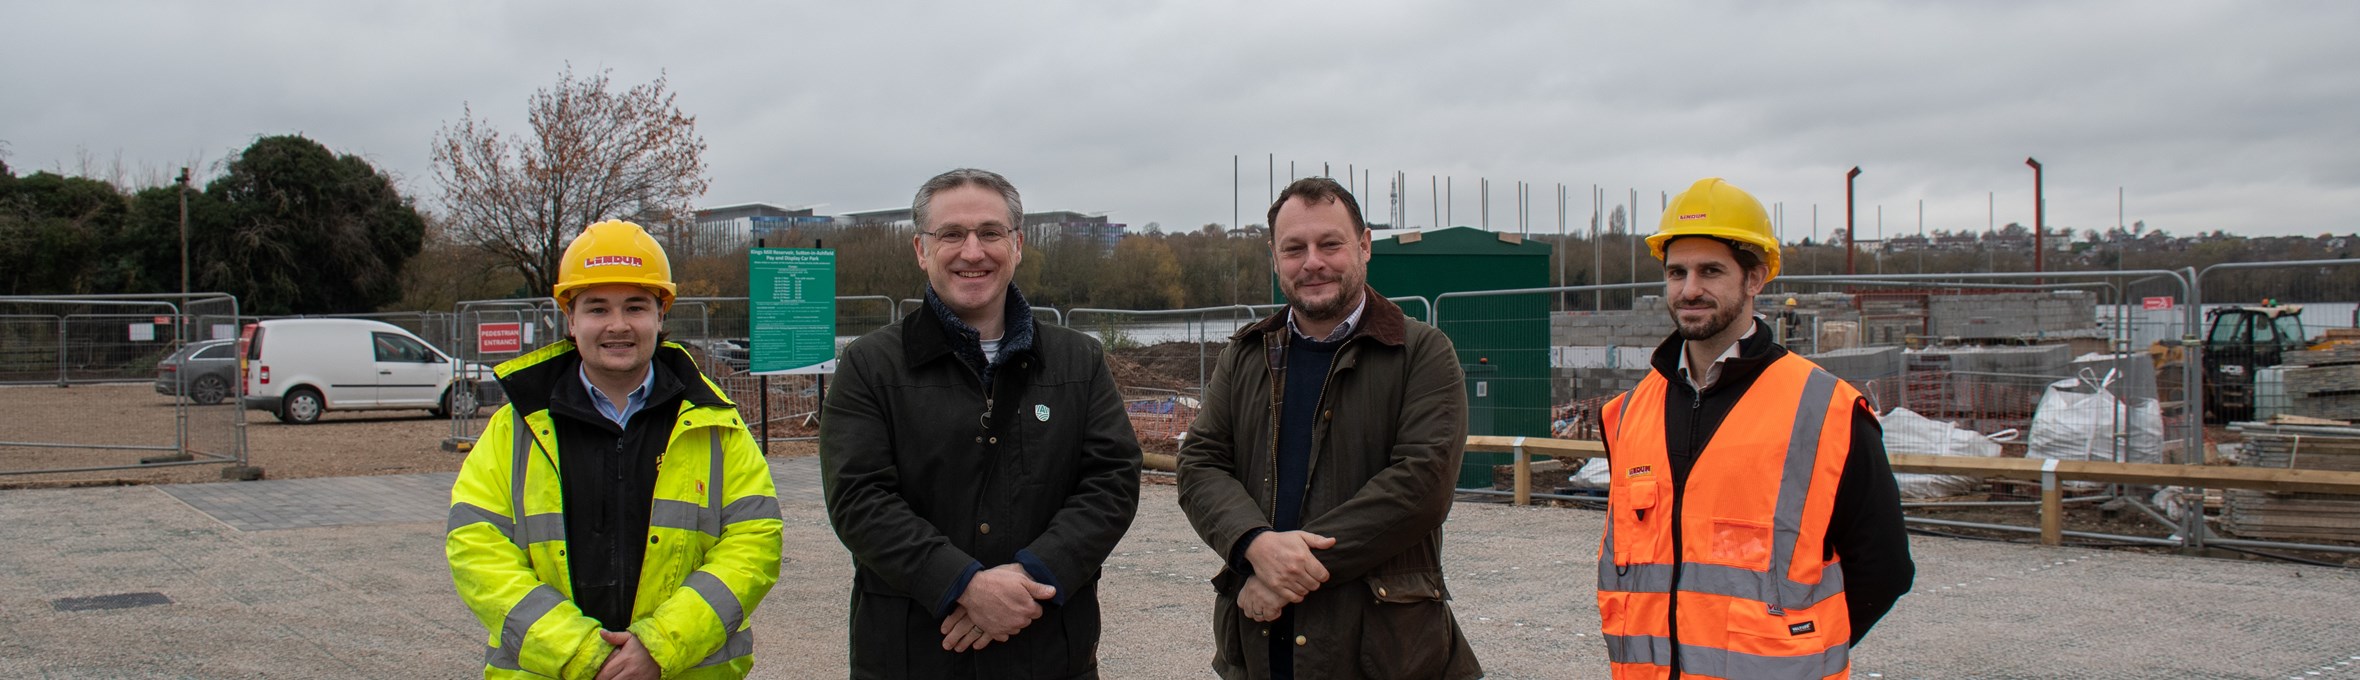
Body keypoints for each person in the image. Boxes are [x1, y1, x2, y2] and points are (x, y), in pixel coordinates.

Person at [819, 168, 1142, 678]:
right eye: (951, 234)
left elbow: (1112, 482)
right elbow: (859, 499)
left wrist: (1033, 577)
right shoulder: (870, 365)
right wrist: (963, 584)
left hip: (1048, 652)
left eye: (990, 233)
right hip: (912, 653)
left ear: (1016, 245)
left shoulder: (1079, 361)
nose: (973, 251)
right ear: (921, 250)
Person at [1595, 178, 1915, 679]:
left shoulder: (1827, 409)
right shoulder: (1627, 413)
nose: (1690, 289)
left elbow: (1885, 568)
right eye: (1677, 272)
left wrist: (1797, 651)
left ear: (1755, 278)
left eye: (1711, 271)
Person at [446, 220, 784, 679]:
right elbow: (475, 547)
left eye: (636, 306)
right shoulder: (516, 427)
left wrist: (659, 646)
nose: (618, 325)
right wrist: (581, 653)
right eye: (597, 308)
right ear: (570, 318)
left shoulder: (716, 424)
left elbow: (754, 543)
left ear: (660, 315)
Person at [1176, 177, 1483, 680]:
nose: (1312, 262)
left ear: (1364, 245)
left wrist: (1282, 573)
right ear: (1275, 258)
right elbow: (1200, 463)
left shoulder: (1421, 354)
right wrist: (1253, 543)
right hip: (1259, 649)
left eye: (1330, 244)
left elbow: (1421, 485)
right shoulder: (1246, 355)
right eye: (1294, 248)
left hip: (1382, 651)